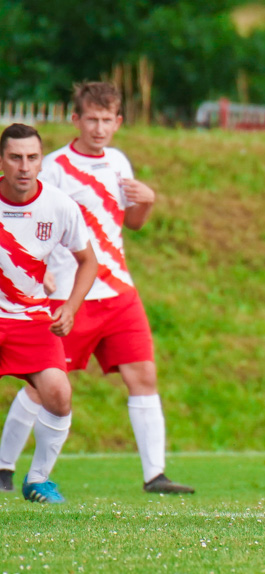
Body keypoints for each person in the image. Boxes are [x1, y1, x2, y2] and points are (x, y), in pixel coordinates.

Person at [0, 83, 194, 495]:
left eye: (108, 120)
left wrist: (147, 201)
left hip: (119, 291)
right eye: (92, 118)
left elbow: (133, 224)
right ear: (76, 120)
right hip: (69, 295)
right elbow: (34, 227)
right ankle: (6, 468)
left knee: (143, 374)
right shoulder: (50, 166)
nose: (99, 128)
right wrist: (42, 274)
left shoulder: (119, 162)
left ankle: (154, 475)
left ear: (118, 122)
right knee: (43, 387)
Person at [0, 123, 98, 503]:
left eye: (32, 158)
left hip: (31, 319)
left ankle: (38, 479)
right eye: (15, 158)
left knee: (58, 394)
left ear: (41, 161)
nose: (24, 166)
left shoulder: (58, 205)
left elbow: (88, 262)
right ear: (2, 161)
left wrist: (71, 308)